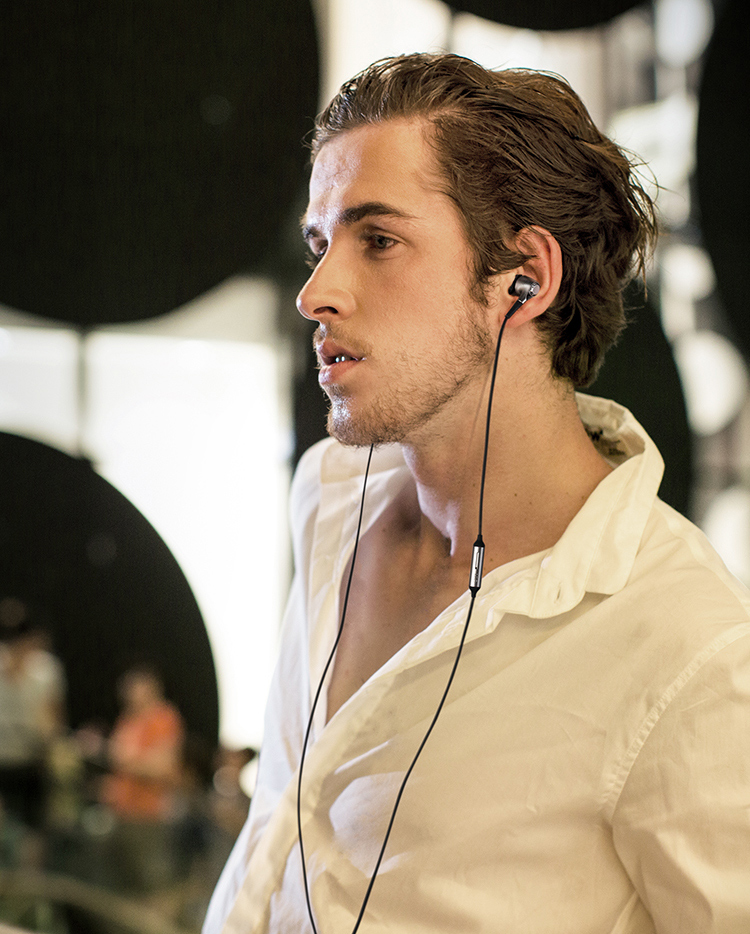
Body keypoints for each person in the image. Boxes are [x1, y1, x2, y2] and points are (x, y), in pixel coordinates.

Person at [204, 53, 750, 933]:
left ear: (523, 278)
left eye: (378, 241)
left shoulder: (691, 651)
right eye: (320, 245)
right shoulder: (330, 498)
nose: (315, 293)